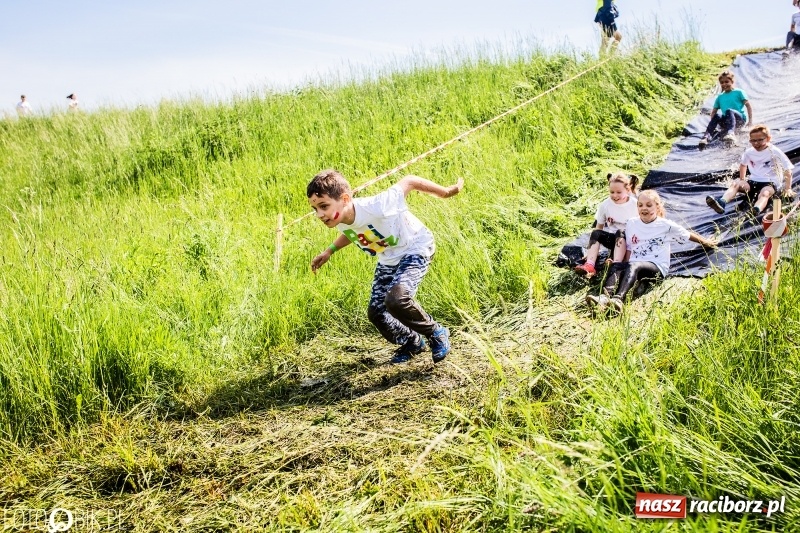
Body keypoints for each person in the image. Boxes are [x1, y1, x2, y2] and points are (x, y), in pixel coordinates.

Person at [308, 169, 464, 364]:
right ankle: (412, 342)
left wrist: (446, 192)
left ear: (346, 199)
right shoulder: (339, 217)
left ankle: (436, 332)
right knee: (377, 313)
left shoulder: (378, 205)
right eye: (316, 209)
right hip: (389, 258)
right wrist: (329, 251)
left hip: (415, 247)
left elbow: (409, 181)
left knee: (397, 300)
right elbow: (353, 231)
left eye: (323, 206)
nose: (319, 215)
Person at [586, 190, 717, 314]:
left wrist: (706, 242)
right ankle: (604, 298)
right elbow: (630, 248)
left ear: (657, 207)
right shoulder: (632, 223)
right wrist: (621, 267)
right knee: (618, 264)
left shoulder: (665, 225)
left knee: (634, 265)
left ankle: (618, 299)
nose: (644, 208)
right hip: (635, 265)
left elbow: (687, 234)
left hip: (656, 267)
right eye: (640, 205)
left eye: (649, 205)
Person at [706, 124, 795, 217]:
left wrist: (788, 188)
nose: (756, 143)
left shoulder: (775, 151)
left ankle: (756, 210)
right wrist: (742, 179)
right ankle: (722, 202)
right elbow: (743, 165)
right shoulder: (749, 152)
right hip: (753, 182)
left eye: (760, 140)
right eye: (753, 141)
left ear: (768, 138)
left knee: (765, 194)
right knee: (735, 184)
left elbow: (788, 169)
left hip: (770, 183)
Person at [575, 172, 640, 277]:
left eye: (619, 192)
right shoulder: (605, 205)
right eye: (612, 192)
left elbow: (640, 226)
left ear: (627, 190)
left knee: (621, 232)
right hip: (613, 240)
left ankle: (615, 265)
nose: (615, 195)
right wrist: (591, 251)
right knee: (596, 233)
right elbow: (599, 227)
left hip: (628, 241)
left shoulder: (635, 205)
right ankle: (590, 265)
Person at [698, 71, 752, 149]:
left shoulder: (739, 92)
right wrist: (715, 125)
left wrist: (750, 121)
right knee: (717, 115)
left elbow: (748, 106)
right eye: (722, 82)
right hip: (727, 121)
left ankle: (731, 133)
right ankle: (706, 137)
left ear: (732, 81)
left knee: (729, 110)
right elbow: (714, 112)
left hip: (739, 119)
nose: (724, 84)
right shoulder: (720, 97)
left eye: (727, 82)